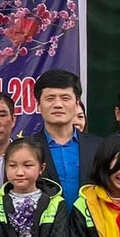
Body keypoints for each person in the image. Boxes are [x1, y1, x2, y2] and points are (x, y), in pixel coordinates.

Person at [34, 70, 100, 208]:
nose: (58, 104)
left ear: (77, 104)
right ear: (38, 105)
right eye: (50, 98)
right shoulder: (27, 149)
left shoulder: (98, 147)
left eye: (65, 98)